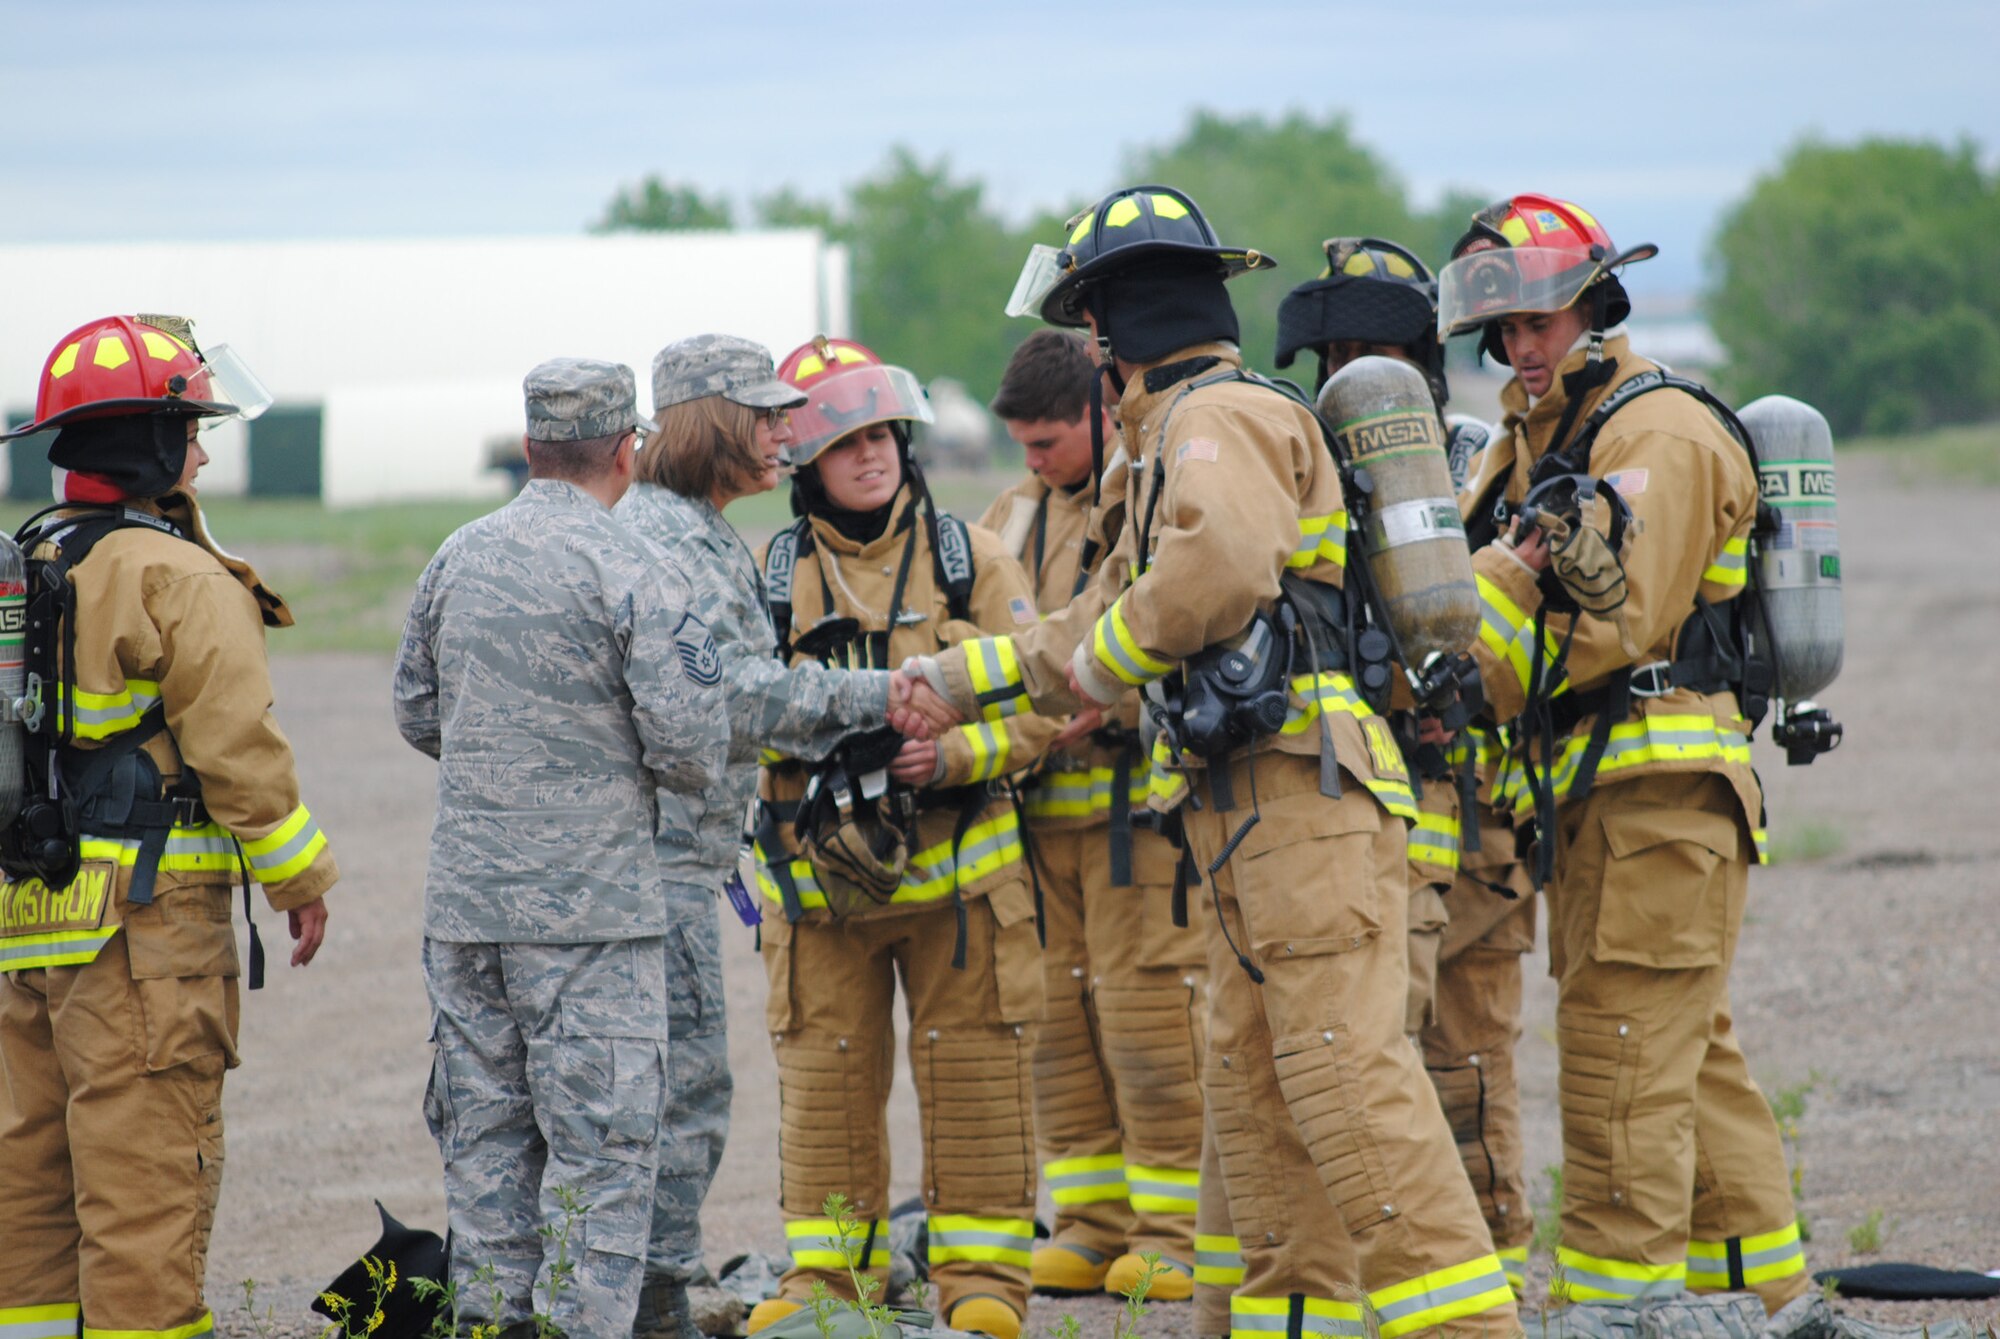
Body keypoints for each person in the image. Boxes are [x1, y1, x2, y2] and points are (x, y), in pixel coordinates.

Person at [903, 187, 1519, 1338]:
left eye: (1088, 332)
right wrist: (948, 682)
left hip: (1301, 795)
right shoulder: (1163, 451)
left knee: (1345, 1082)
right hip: (1244, 809)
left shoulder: (1213, 420)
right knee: (1254, 1094)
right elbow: (1093, 613)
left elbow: (1214, 574)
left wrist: (1098, 670)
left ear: (1106, 335)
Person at [1437, 193, 1809, 1315]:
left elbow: (1614, 624)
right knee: (1682, 1053)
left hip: (1656, 788)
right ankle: (1765, 1293)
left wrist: (1465, 673)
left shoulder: (1656, 432)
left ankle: (1619, 1308)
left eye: (1538, 320)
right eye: (1501, 331)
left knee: (1618, 1058)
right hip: (1602, 793)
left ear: (1594, 305)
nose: (1518, 346)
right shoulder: (1532, 440)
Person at [0, 314, 338, 1339]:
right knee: (145, 1178)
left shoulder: (28, 557)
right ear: (148, 445)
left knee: (31, 1175)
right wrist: (301, 878)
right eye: (189, 428)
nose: (200, 448)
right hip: (143, 936)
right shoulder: (177, 575)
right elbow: (237, 750)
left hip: (27, 918)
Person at [614, 334, 952, 1339]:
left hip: (666, 861)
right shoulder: (677, 541)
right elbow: (744, 701)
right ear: (711, 424)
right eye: (764, 417)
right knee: (677, 1093)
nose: (784, 434)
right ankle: (656, 1307)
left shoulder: (682, 529)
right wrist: (881, 692)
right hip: (657, 870)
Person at [393, 358, 729, 1337]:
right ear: (627, 449)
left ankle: (490, 1324)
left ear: (533, 446)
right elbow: (691, 745)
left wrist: (511, 762)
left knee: (487, 1155)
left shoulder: (457, 554)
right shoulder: (633, 565)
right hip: (593, 917)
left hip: (466, 914)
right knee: (601, 1163)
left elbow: (418, 710)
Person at [746, 337, 1055, 1339]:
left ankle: (982, 1283)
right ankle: (834, 1284)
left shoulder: (972, 558)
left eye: (881, 432)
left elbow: (1050, 705)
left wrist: (953, 757)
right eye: (844, 439)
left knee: (974, 1076)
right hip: (822, 898)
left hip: (962, 895)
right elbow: (728, 717)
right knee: (825, 1078)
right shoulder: (764, 577)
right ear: (803, 463)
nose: (870, 453)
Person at [1275, 238, 1538, 1298]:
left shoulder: (1474, 459)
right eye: (1335, 346)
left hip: (1471, 808)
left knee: (1466, 1061)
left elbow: (1514, 645)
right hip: (1370, 804)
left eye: (1374, 346)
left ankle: (1491, 1278)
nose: (1352, 365)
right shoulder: (1301, 464)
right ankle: (1413, 1279)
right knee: (1378, 1049)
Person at [981, 329, 1208, 1301]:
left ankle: (1177, 1235)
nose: (1032, 464)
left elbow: (1174, 621)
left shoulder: (1146, 497)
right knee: (1057, 1024)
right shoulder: (1008, 515)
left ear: (1097, 412)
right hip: (1038, 827)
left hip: (1134, 825)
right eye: (1022, 447)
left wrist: (1106, 705)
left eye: (1046, 444)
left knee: (1147, 1017)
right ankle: (1085, 1226)